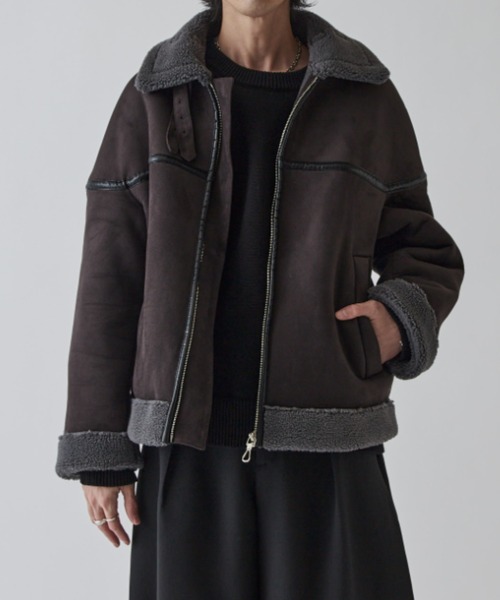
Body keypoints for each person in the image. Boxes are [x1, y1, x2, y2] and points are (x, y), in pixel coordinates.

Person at [54, 1, 465, 598]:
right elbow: (109, 277)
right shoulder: (155, 95)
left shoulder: (362, 95)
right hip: (186, 451)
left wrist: (395, 322)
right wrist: (99, 446)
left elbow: (424, 248)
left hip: (328, 443)